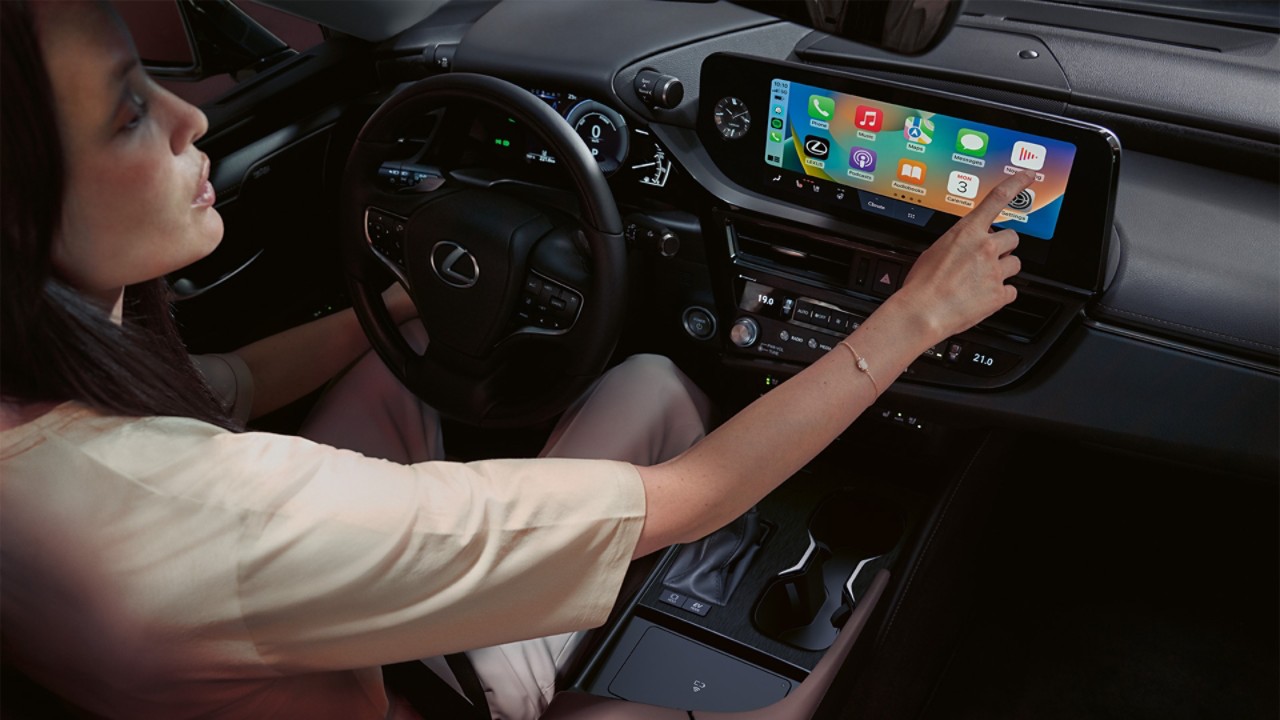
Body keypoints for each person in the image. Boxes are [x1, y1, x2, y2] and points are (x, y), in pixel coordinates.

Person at [0, 1, 1032, 718]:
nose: (191, 120)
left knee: (646, 381)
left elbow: (236, 387)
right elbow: (690, 497)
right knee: (862, 604)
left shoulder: (60, 425)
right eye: (131, 112)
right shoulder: (219, 512)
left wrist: (414, 293)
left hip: (301, 649)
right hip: (413, 692)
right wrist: (908, 319)